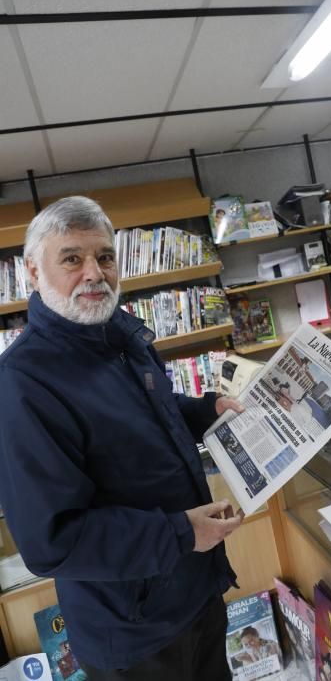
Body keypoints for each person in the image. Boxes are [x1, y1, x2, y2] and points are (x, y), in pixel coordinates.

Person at [0, 196, 245, 681]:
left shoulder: (119, 337)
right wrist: (181, 533)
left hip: (194, 590)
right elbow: (53, 541)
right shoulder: (24, 384)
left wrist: (205, 410)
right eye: (71, 258)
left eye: (105, 257)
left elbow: (153, 414)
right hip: (133, 632)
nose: (94, 273)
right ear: (33, 271)